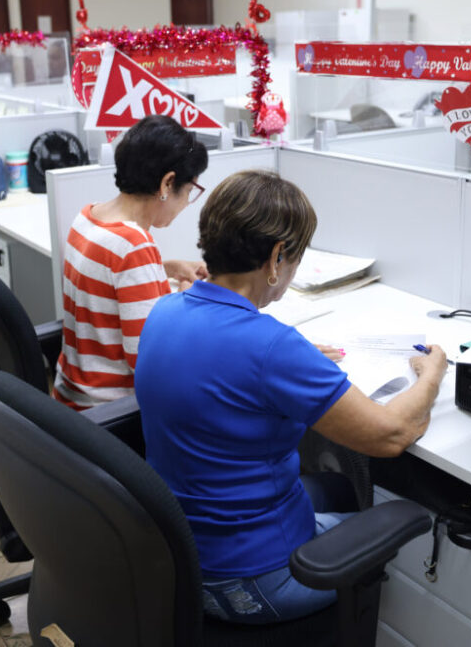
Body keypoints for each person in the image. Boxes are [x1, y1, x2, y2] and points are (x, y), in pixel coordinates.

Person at [135, 169, 448, 625]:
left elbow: (228, 372)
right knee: (391, 525)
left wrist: (291, 360)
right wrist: (432, 374)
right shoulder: (269, 347)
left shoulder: (164, 311)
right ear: (277, 257)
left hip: (183, 562)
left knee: (338, 489)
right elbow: (391, 433)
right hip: (255, 583)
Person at [53, 114, 209, 410]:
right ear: (167, 183)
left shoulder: (89, 216)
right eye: (189, 191)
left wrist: (166, 269)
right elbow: (150, 362)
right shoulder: (134, 246)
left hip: (69, 401)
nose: (186, 204)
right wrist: (186, 300)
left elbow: (107, 282)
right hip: (110, 413)